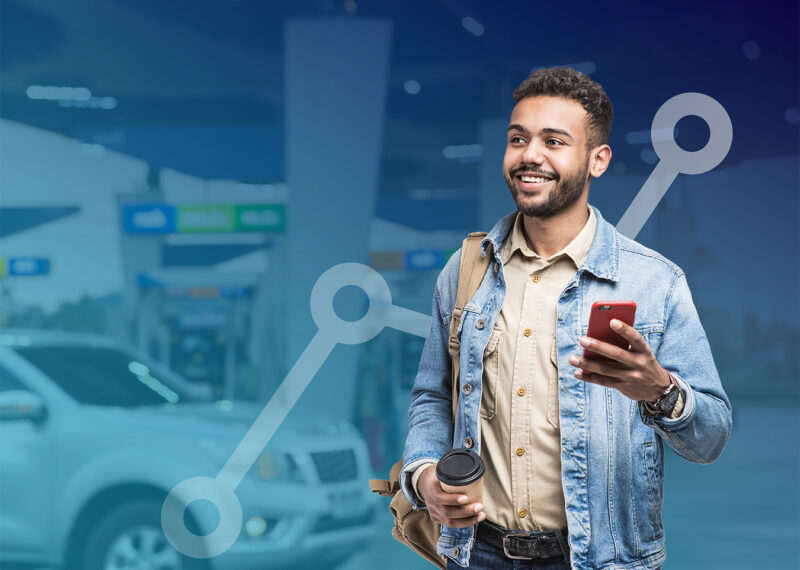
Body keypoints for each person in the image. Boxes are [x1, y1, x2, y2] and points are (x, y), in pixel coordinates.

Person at [400, 67, 732, 570]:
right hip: (478, 553)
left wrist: (659, 389)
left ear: (597, 160)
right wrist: (425, 477)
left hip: (601, 560)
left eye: (554, 141)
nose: (530, 155)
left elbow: (711, 438)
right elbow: (431, 394)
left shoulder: (654, 283)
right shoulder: (466, 270)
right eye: (518, 139)